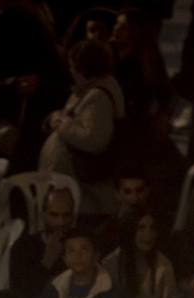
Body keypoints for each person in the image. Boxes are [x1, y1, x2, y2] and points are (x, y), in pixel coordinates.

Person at [38, 39, 125, 217]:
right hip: (72, 182)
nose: (70, 70)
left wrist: (61, 123)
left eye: (72, 65)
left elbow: (92, 140)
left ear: (84, 67)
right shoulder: (88, 90)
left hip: (82, 186)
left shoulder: (98, 96)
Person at [102, 207, 175, 298]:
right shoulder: (111, 264)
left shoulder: (164, 266)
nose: (148, 234)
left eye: (152, 228)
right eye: (141, 228)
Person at [9, 185, 77, 298]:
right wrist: (47, 261)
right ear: (44, 214)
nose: (60, 222)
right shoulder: (24, 247)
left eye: (66, 215)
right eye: (54, 215)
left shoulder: (81, 247)